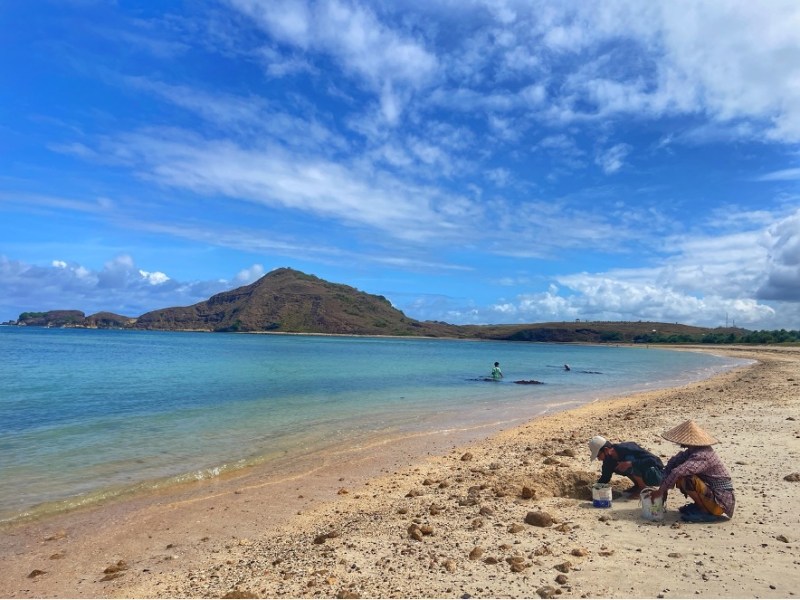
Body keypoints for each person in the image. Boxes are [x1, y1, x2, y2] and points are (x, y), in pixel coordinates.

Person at [645, 420, 735, 523]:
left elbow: (678, 472)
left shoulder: (702, 455)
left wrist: (660, 491)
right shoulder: (693, 451)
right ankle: (701, 506)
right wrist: (663, 487)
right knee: (680, 473)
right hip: (712, 493)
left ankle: (704, 511)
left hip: (720, 501)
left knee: (686, 478)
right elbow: (673, 463)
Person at [589, 435, 664, 497]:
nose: (599, 459)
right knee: (619, 466)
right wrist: (596, 489)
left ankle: (642, 488)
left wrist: (631, 463)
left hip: (656, 475)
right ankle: (638, 485)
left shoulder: (626, 448)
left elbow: (653, 461)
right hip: (647, 475)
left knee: (628, 461)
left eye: (598, 456)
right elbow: (605, 477)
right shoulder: (608, 462)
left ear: (606, 450)